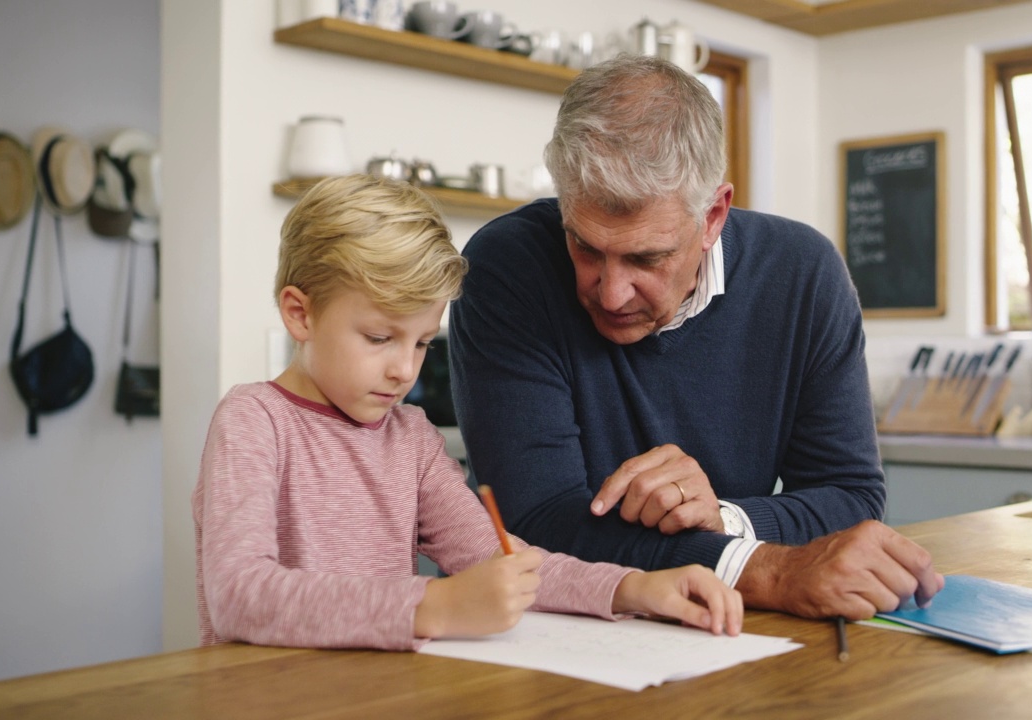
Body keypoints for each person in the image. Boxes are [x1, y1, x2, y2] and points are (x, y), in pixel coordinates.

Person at [449, 55, 943, 621]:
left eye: (646, 258)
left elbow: (850, 496)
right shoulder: (507, 266)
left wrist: (723, 519)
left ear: (713, 216)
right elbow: (532, 521)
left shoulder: (804, 274)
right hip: (535, 634)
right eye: (585, 246)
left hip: (715, 635)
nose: (610, 294)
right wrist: (765, 570)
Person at [192, 175, 741, 651]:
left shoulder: (408, 437)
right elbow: (240, 596)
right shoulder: (254, 420)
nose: (403, 371)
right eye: (380, 338)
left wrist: (633, 588)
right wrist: (432, 604)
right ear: (299, 313)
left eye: (422, 343)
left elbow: (499, 559)